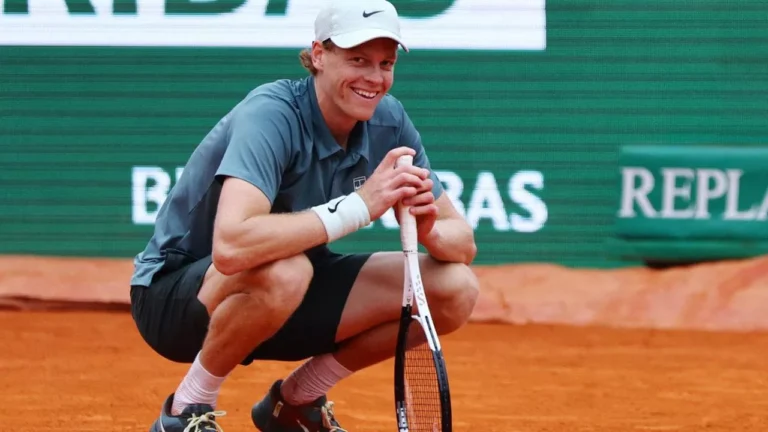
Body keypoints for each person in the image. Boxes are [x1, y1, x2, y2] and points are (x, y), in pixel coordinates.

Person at [129, 0, 479, 431]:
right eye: (357, 60)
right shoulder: (272, 112)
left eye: (385, 63)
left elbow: (462, 242)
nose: (374, 78)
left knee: (454, 288)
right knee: (286, 271)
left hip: (290, 292)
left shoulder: (389, 120)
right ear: (318, 55)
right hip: (175, 302)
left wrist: (429, 229)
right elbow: (233, 246)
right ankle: (186, 409)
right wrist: (360, 207)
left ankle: (295, 403)